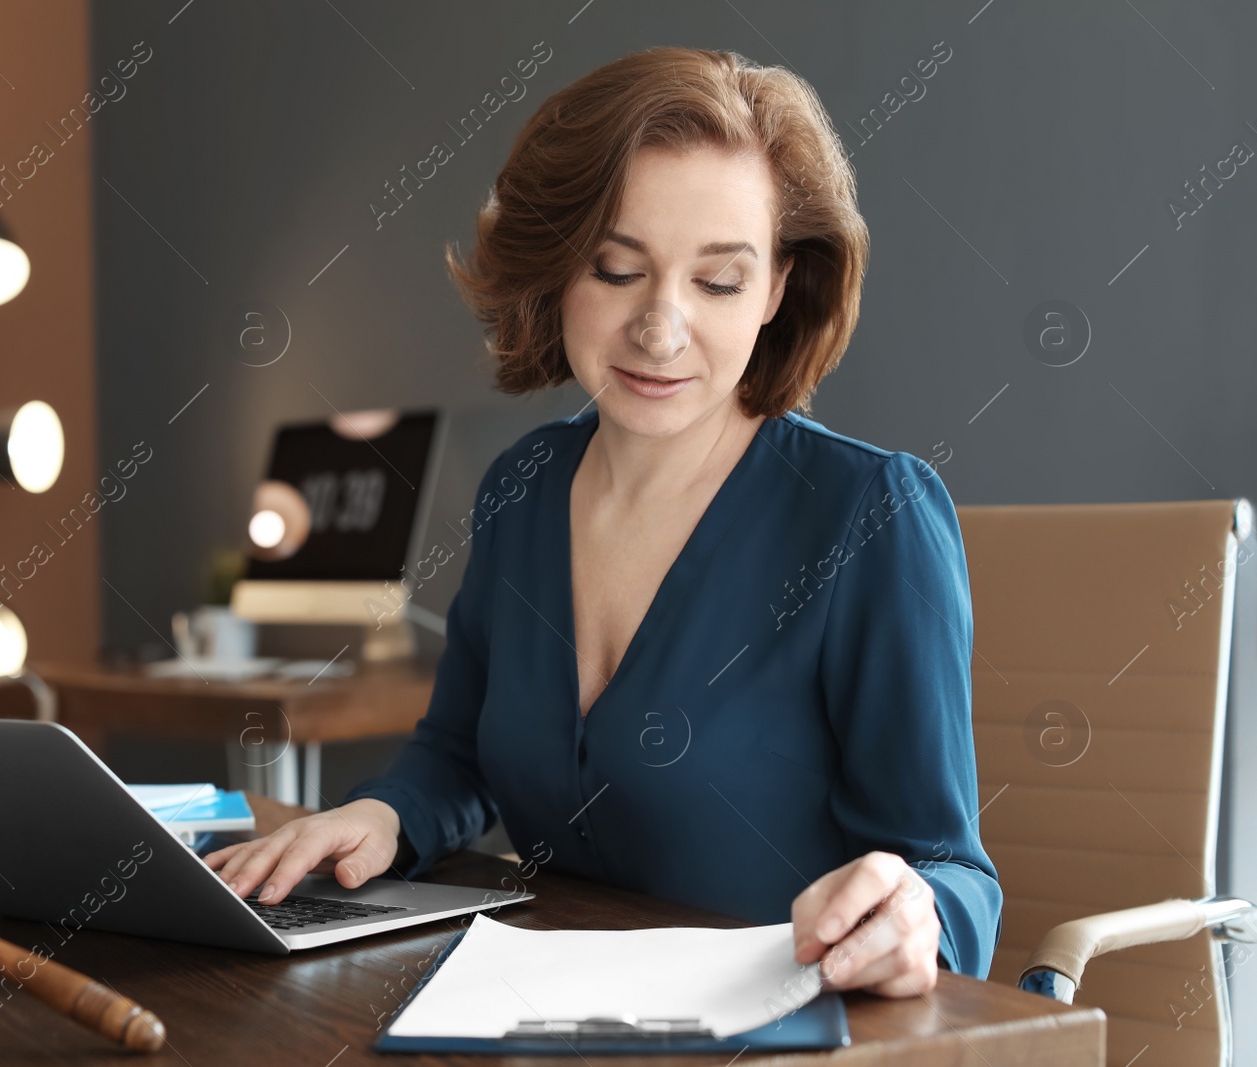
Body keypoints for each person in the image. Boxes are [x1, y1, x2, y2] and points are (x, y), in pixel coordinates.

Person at [207, 45, 1001, 997]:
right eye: (618, 268)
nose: (660, 330)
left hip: (781, 1032)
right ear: (556, 267)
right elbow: (459, 750)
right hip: (546, 1016)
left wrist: (920, 913)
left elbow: (955, 875)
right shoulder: (523, 487)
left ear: (779, 289)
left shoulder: (873, 514)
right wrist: (384, 816)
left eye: (718, 282)